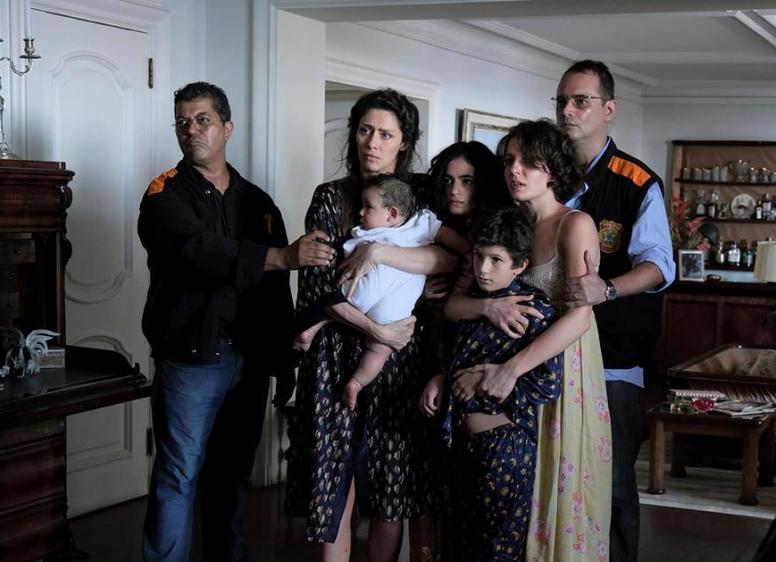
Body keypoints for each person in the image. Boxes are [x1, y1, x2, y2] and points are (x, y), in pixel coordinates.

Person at [138, 81, 335, 562]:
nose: (191, 130)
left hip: (250, 360)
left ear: (227, 128)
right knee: (178, 475)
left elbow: (275, 291)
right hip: (192, 359)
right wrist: (282, 256)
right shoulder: (164, 195)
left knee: (231, 475)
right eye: (182, 122)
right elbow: (199, 250)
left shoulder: (259, 203)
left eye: (202, 120)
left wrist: (284, 360)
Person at [285, 88, 459, 562]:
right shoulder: (331, 198)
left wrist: (380, 252)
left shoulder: (418, 197)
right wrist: (377, 332)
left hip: (402, 360)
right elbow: (319, 289)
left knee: (390, 486)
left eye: (385, 134)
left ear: (404, 142)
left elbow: (447, 258)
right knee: (334, 483)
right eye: (365, 130)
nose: (372, 142)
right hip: (338, 355)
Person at [445, 119, 612, 561]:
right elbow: (455, 305)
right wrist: (488, 308)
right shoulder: (506, 224)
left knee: (557, 490)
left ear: (553, 169)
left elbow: (580, 318)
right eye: (509, 160)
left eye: (529, 162)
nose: (514, 170)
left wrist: (510, 370)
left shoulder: (574, 224)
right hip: (502, 375)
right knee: (502, 508)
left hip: (559, 371)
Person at [556, 60, 675, 562]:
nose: (567, 110)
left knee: (614, 480)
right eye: (562, 101)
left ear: (608, 109)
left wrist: (604, 289)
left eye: (580, 101)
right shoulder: (546, 172)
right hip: (550, 350)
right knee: (557, 473)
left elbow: (660, 266)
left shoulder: (636, 180)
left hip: (613, 358)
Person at [419, 206, 562, 561]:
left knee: (497, 551)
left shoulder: (533, 309)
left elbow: (547, 384)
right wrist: (442, 379)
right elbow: (459, 359)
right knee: (461, 546)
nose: (482, 269)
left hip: (503, 449)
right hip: (459, 444)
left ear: (520, 266)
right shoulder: (473, 304)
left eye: (496, 260)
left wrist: (486, 378)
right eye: (479, 256)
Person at [297, 174, 469, 410]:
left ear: (391, 214)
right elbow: (342, 266)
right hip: (371, 293)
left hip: (389, 301)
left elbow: (446, 236)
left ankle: (356, 382)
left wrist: (468, 251)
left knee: (379, 346)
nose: (360, 213)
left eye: (368, 207)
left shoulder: (420, 223)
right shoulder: (368, 231)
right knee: (364, 333)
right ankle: (319, 334)